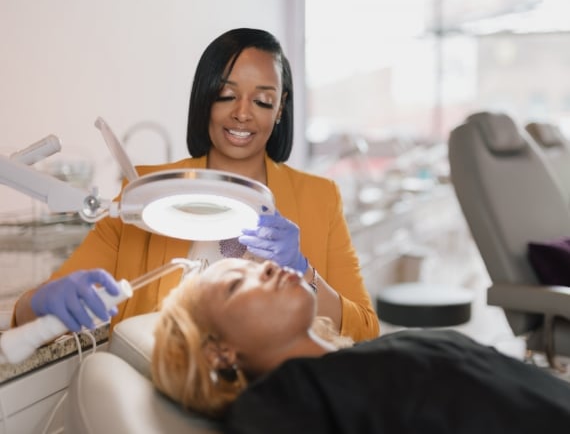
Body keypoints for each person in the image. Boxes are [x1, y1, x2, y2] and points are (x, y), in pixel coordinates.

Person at [12, 28, 379, 341]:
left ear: (280, 107)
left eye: (263, 100)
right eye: (226, 94)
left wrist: (303, 272)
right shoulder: (144, 193)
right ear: (206, 97)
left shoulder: (319, 198)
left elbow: (364, 329)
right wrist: (42, 302)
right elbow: (35, 316)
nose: (242, 113)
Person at [151, 258, 570, 433]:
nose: (267, 267)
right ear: (218, 352)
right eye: (237, 283)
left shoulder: (362, 357)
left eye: (256, 263)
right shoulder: (276, 402)